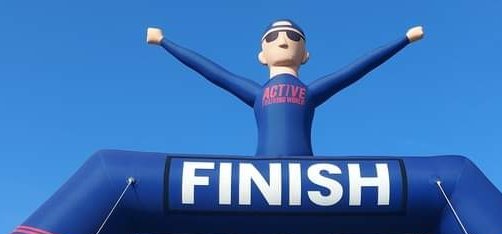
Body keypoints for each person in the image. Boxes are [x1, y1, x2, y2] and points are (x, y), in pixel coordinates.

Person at [146, 20, 424, 157]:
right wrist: (164, 42)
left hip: (307, 172)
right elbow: (211, 71)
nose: (283, 40)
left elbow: (356, 69)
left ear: (305, 55)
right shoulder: (258, 92)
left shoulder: (309, 92)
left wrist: (403, 40)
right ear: (261, 55)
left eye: (293, 36)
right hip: (261, 171)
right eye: (273, 36)